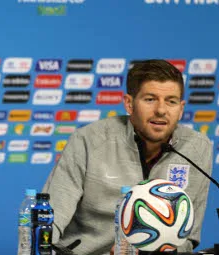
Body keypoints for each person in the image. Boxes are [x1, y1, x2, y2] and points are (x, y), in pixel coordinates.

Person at [43, 59, 213, 254]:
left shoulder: (198, 149)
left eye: (171, 101)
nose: (161, 110)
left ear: (181, 108)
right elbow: (49, 221)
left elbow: (188, 237)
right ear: (129, 104)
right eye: (150, 99)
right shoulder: (88, 141)